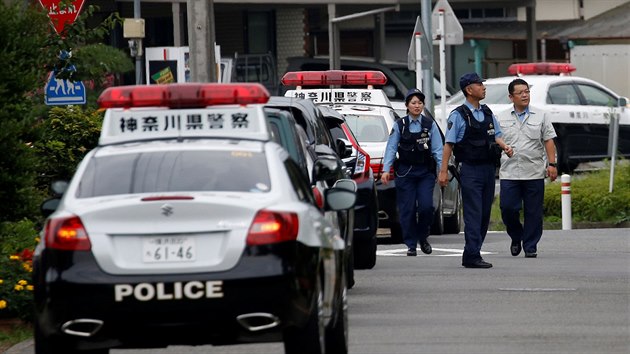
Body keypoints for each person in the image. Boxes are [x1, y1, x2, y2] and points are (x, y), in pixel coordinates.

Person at [438, 72, 513, 268]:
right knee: (473, 213)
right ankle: (472, 255)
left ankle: (472, 252)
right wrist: (443, 171)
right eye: (479, 84)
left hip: (488, 170)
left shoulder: (487, 113)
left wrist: (505, 146)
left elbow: (496, 135)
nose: (483, 87)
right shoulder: (459, 115)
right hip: (470, 170)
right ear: (469, 90)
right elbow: (449, 144)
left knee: (484, 214)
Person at [497, 78, 558, 258]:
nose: (525, 95)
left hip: (534, 171)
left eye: (527, 92)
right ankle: (516, 236)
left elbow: (548, 140)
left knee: (534, 212)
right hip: (509, 172)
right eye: (520, 93)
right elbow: (496, 138)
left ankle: (530, 245)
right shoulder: (500, 117)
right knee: (508, 209)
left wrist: (552, 164)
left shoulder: (541, 115)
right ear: (511, 97)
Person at [381, 88, 443, 256]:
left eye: (420, 103)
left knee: (426, 207)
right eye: (413, 103)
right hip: (405, 174)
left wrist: (442, 170)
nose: (417, 106)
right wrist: (386, 170)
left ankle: (423, 237)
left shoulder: (430, 125)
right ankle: (410, 244)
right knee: (407, 209)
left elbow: (438, 149)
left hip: (425, 173)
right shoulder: (399, 126)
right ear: (407, 105)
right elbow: (391, 148)